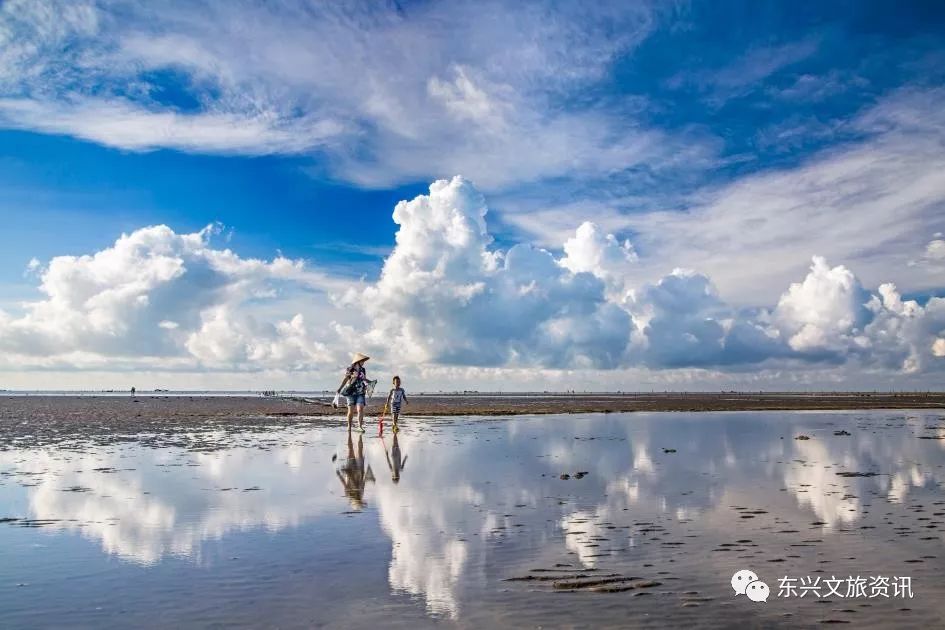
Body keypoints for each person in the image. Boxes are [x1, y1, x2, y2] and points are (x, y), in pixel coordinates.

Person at [336, 429, 375, 509]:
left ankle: (351, 434)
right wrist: (368, 476)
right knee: (358, 450)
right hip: (359, 470)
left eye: (360, 501)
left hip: (351, 469)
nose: (361, 499)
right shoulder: (360, 493)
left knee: (351, 449)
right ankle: (359, 436)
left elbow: (344, 483)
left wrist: (340, 475)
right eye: (361, 500)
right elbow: (362, 482)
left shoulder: (348, 493)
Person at [337, 352, 372, 432]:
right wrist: (340, 388)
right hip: (350, 392)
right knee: (351, 411)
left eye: (364, 361)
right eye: (362, 360)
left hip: (360, 392)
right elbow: (345, 379)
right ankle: (349, 427)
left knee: (360, 408)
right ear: (358, 361)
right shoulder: (350, 369)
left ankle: (359, 426)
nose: (363, 362)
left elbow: (363, 379)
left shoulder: (363, 370)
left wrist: (370, 382)